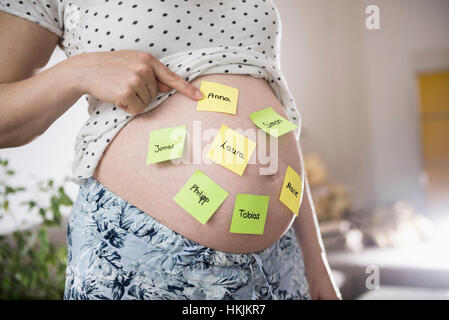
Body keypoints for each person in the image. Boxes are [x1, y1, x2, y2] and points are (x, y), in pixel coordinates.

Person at [0, 0, 341, 300]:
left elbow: (276, 121)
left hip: (279, 261)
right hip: (142, 253)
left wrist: (315, 258)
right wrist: (76, 73)